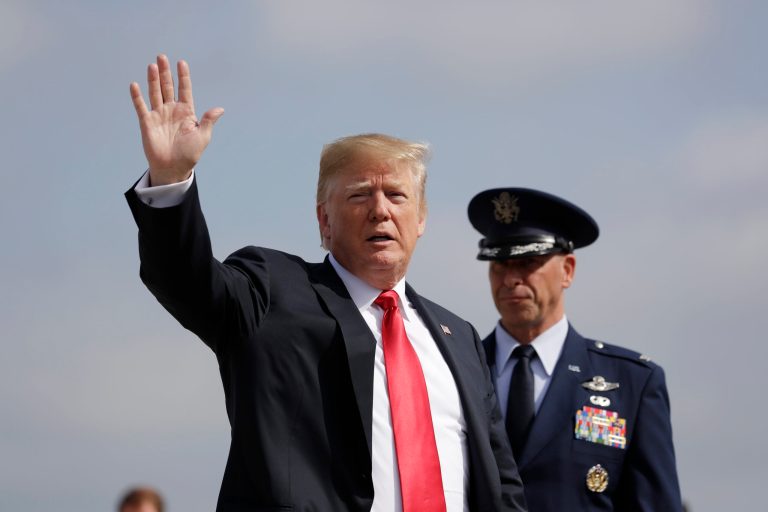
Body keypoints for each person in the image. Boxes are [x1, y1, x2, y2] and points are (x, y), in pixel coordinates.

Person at [125, 54, 526, 512]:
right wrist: (171, 179)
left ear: (421, 219)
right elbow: (186, 281)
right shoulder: (271, 291)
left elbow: (502, 485)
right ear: (324, 221)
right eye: (359, 195)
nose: (381, 210)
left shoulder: (461, 341)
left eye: (397, 195)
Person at [467, 187, 683, 511]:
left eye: (528, 262)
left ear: (567, 270)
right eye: (499, 264)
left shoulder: (633, 384)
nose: (510, 279)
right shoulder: (455, 371)